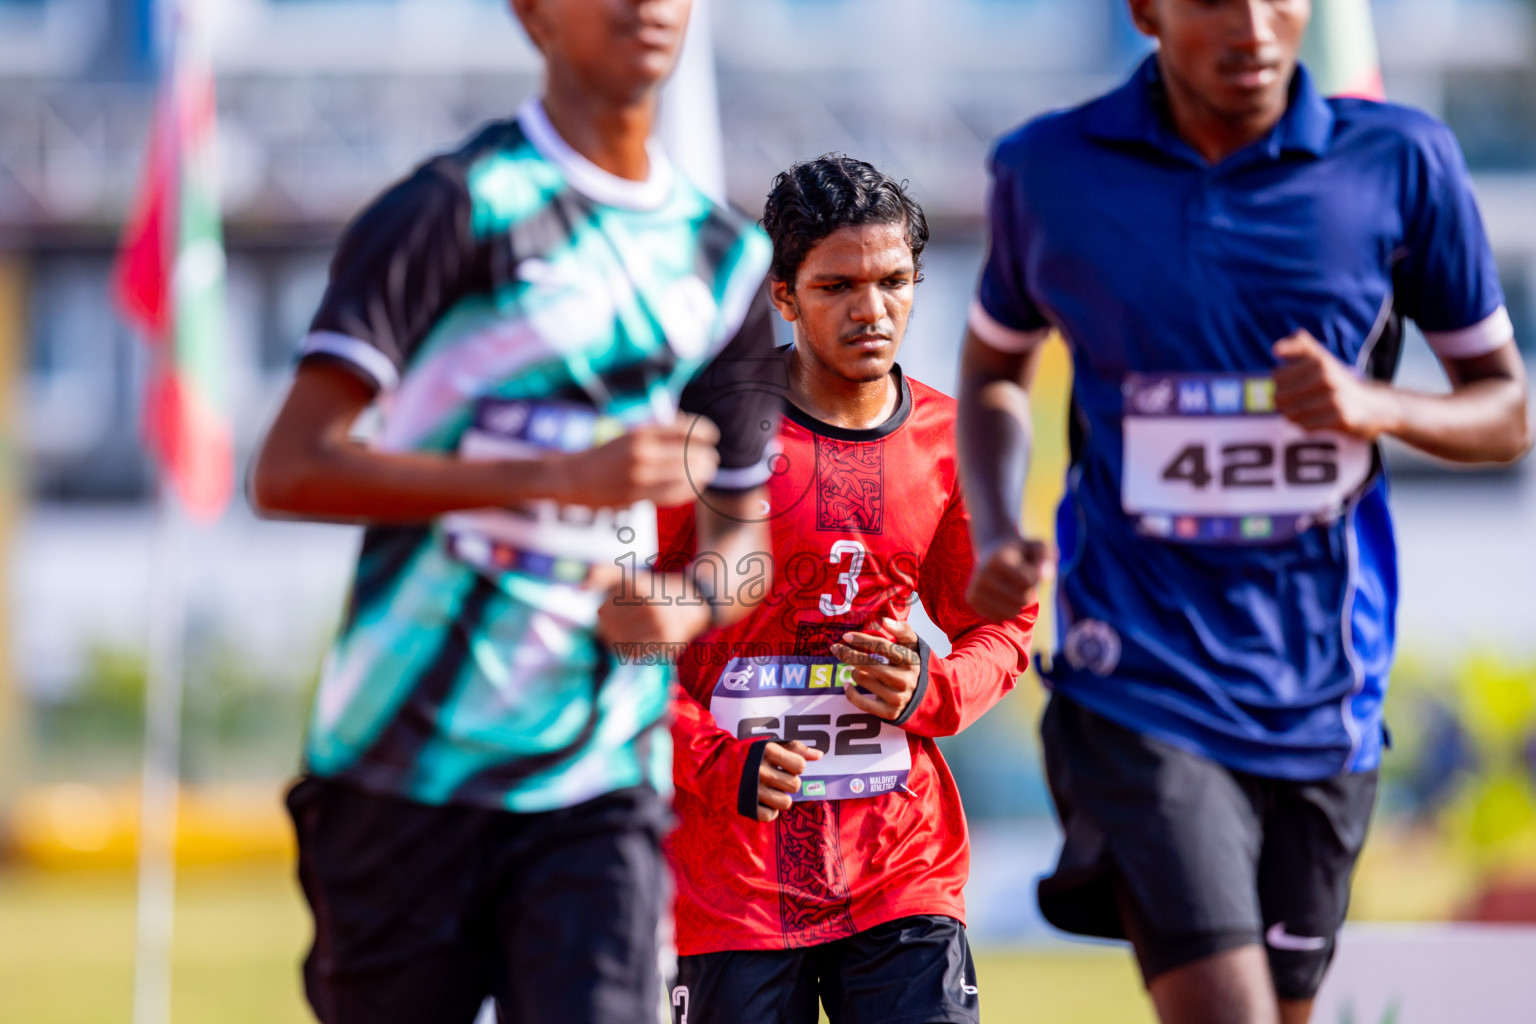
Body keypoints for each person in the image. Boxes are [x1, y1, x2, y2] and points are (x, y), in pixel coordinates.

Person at [956, 2, 1532, 1024]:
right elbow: (997, 361)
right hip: (1137, 674)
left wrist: (1376, 405)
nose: (1256, 26)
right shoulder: (1050, 169)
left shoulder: (1400, 159)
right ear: (1146, 11)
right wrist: (998, 528)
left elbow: (1507, 407)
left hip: (1324, 687)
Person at [249, 1, 784, 1021]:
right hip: (404, 761)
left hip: (599, 775)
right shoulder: (457, 208)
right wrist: (555, 479)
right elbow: (290, 469)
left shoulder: (727, 261)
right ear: (533, 14)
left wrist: (690, 604)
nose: (648, 5)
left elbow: (741, 538)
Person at [658, 155, 1037, 1024]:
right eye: (837, 285)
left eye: (894, 281)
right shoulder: (704, 431)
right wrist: (717, 761)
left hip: (902, 866)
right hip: (735, 882)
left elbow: (1005, 628)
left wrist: (931, 689)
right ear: (783, 296)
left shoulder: (952, 441)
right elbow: (622, 636)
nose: (873, 311)